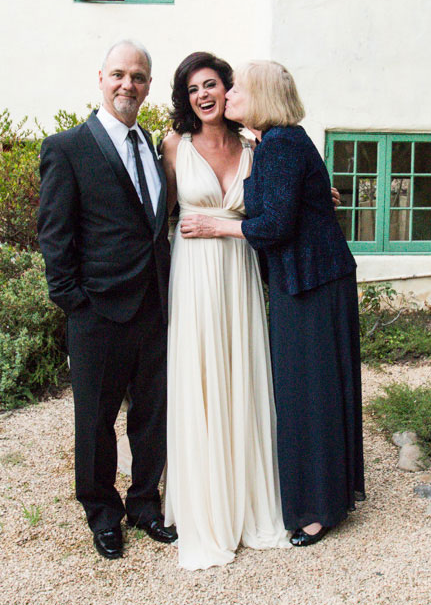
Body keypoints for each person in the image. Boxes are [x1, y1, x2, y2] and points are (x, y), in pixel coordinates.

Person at [180, 60, 365, 548]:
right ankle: (326, 496)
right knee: (310, 393)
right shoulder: (273, 144)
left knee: (310, 397)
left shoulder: (280, 144)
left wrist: (216, 226)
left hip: (312, 284)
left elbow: (275, 226)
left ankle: (316, 512)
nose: (229, 93)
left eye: (237, 86)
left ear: (259, 96)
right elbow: (283, 204)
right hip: (306, 281)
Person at [38, 40, 177, 560]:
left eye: (138, 77)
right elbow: (54, 235)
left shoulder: (155, 145)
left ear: (147, 85)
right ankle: (103, 513)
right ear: (100, 78)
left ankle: (144, 505)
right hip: (97, 312)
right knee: (94, 422)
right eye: (119, 74)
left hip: (155, 308)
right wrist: (75, 302)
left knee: (152, 416)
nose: (128, 85)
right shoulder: (67, 147)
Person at [161, 52, 290, 570]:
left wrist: (313, 197)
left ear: (227, 88)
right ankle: (203, 505)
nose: (203, 96)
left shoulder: (255, 146)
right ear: (185, 98)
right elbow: (157, 213)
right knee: (201, 379)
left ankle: (249, 500)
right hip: (192, 273)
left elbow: (274, 208)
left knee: (241, 376)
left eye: (211, 84)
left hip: (238, 271)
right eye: (193, 89)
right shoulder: (174, 145)